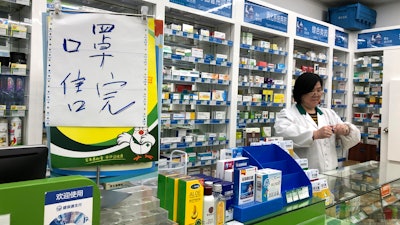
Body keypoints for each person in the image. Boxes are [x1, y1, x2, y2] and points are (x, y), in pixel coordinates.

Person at [274, 72, 361, 172]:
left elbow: (355, 138)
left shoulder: (328, 114)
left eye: (319, 90)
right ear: (301, 92)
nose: (316, 94)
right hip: (305, 174)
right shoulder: (288, 114)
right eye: (311, 91)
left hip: (331, 172)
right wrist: (315, 134)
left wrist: (346, 130)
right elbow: (282, 133)